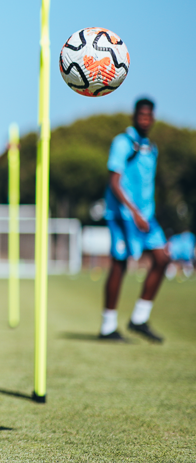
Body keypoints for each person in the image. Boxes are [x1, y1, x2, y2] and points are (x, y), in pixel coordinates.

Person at [98, 97, 169, 343]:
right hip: (122, 216)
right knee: (120, 264)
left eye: (149, 116)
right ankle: (107, 327)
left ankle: (139, 318)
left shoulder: (152, 147)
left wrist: (145, 213)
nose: (145, 120)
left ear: (153, 119)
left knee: (162, 259)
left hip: (146, 217)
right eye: (141, 116)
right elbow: (114, 182)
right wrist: (134, 212)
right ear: (134, 116)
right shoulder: (122, 142)